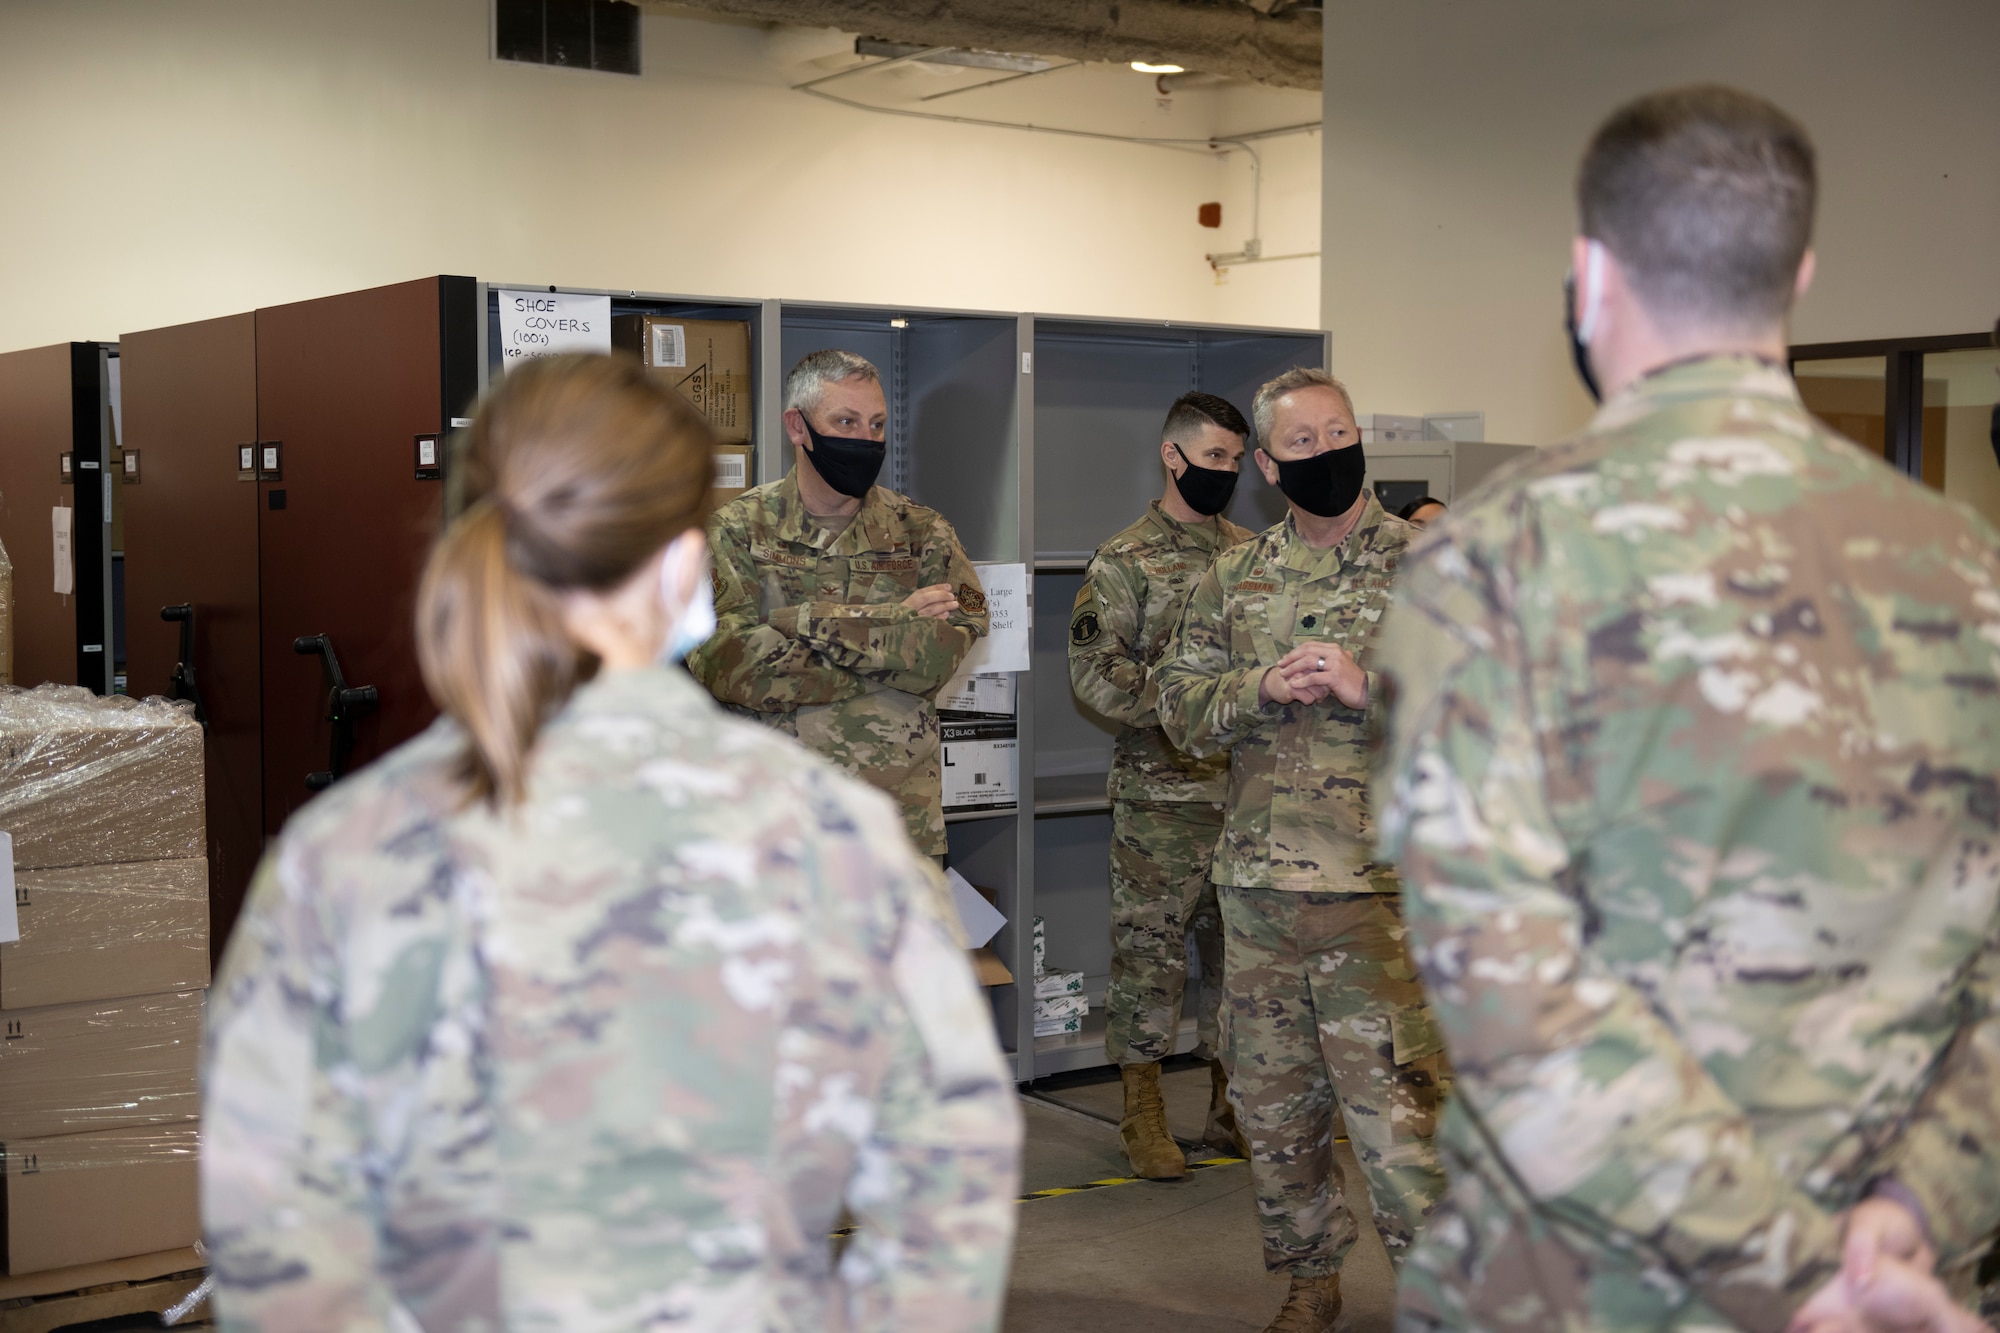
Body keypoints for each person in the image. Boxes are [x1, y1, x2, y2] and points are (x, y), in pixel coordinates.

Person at [201, 354, 1023, 1331]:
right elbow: (950, 1182)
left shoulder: (346, 851)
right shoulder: (825, 835)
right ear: (686, 571)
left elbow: (265, 1215)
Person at [1373, 85, 2000, 1333]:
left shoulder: (1491, 563)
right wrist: (1906, 1221)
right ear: (1799, 272)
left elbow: (1512, 1001)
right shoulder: (1964, 565)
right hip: (1895, 1285)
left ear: (1588, 274)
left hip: (1592, 1290)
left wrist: (1788, 1268)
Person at [1156, 366, 1449, 1333]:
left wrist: (1377, 691)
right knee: (1279, 1120)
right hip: (1258, 896)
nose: (1328, 455)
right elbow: (1178, 711)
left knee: (1401, 1129)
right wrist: (1257, 691)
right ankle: (1309, 1277)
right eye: (1305, 445)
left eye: (1340, 434)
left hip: (1380, 901)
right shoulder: (1233, 578)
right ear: (1271, 469)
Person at [689, 349, 988, 867]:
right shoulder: (736, 530)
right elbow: (731, 666)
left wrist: (796, 623)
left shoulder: (924, 533)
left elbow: (938, 658)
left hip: (898, 829)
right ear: (797, 427)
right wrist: (893, 638)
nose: (865, 440)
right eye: (845, 422)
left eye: (875, 425)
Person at [1067, 391, 1256, 1180]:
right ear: (1172, 456)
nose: (1228, 473)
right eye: (1215, 458)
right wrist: (1188, 705)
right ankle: (1142, 1112)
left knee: (1241, 960)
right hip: (1162, 795)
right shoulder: (1125, 559)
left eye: (1238, 462)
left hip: (1243, 796)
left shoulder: (1255, 553)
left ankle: (1227, 1102)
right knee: (1150, 958)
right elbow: (1094, 674)